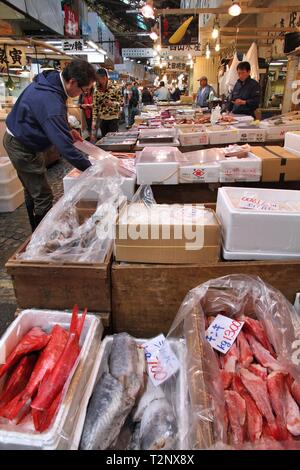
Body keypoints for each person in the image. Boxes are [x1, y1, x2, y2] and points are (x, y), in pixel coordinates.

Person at [3, 60, 96, 232]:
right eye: (84, 90)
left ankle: (35, 234)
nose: (83, 93)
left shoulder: (54, 81)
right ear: (73, 82)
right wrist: (91, 169)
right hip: (21, 145)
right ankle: (41, 240)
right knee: (43, 195)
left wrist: (67, 129)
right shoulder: (50, 100)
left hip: (28, 140)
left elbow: (50, 117)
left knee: (33, 189)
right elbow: (65, 148)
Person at [91, 68, 123, 139]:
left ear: (105, 77)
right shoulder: (97, 90)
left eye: (99, 78)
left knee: (113, 139)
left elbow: (122, 102)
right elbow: (95, 106)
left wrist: (113, 103)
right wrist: (94, 121)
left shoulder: (115, 88)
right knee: (104, 139)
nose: (98, 81)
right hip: (102, 119)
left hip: (113, 118)